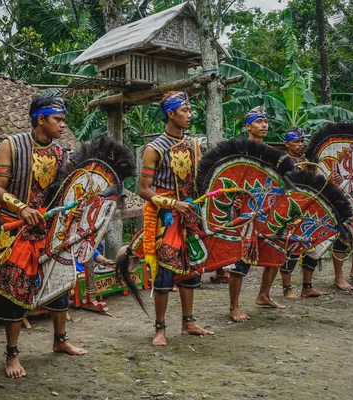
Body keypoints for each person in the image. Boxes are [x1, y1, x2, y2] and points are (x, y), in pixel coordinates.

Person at [0, 94, 87, 379]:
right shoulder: (11, 146)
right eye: (58, 119)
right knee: (14, 291)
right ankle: (12, 354)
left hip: (50, 230)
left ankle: (60, 340)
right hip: (17, 230)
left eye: (63, 120)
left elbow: (65, 195)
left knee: (60, 285)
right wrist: (22, 207)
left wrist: (72, 212)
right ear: (41, 119)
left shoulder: (63, 154)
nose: (63, 125)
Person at [139, 91, 214, 346]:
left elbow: (199, 179)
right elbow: (144, 190)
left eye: (190, 110)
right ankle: (160, 328)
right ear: (170, 114)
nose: (190, 115)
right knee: (165, 273)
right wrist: (173, 204)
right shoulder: (154, 148)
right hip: (166, 217)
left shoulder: (194, 145)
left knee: (192, 268)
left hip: (189, 214)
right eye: (185, 111)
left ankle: (188, 322)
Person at [224, 106, 285, 323]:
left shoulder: (273, 154)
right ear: (248, 126)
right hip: (246, 212)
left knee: (276, 253)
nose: (264, 125)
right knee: (240, 260)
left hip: (269, 211)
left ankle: (264, 295)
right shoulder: (238, 152)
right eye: (259, 122)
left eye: (266, 121)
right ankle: (234, 306)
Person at [278, 128, 327, 298]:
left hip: (308, 210)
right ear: (286, 144)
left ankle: (307, 287)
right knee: (290, 249)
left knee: (312, 246)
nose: (300, 145)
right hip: (290, 209)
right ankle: (287, 289)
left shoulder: (308, 161)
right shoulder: (283, 162)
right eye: (295, 142)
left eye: (301, 141)